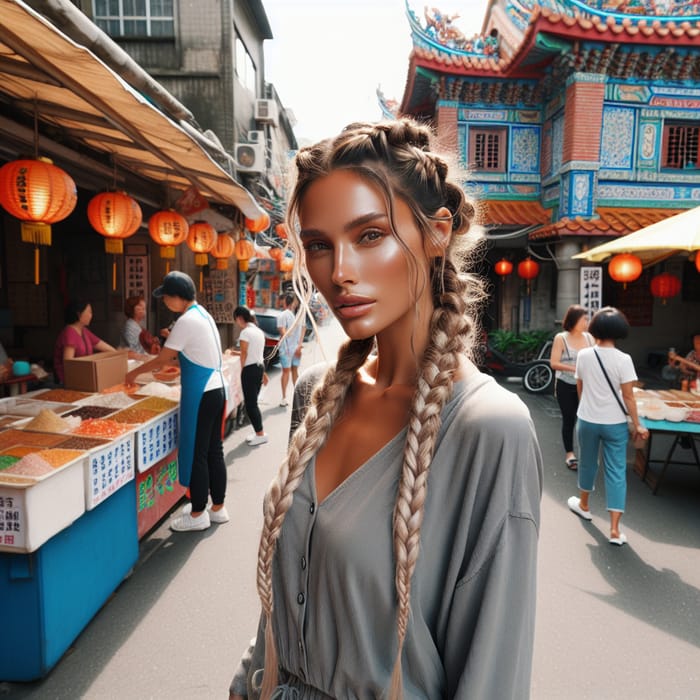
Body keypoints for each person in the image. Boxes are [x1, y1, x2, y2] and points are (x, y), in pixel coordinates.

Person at [229, 119, 542, 699]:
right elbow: (285, 596)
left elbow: (492, 674)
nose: (339, 271)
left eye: (370, 235)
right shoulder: (317, 394)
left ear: (436, 234)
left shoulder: (486, 430)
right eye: (320, 245)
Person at [125, 271, 229, 532]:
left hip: (202, 392)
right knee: (214, 450)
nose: (165, 303)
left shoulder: (186, 320)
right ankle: (217, 508)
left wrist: (133, 373)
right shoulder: (202, 314)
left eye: (166, 298)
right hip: (217, 388)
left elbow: (163, 358)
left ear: (176, 297)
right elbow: (191, 356)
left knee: (197, 453)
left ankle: (197, 514)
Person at [567, 306, 648, 546]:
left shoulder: (584, 355)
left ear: (596, 329)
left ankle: (584, 505)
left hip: (588, 420)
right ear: (620, 330)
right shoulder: (624, 360)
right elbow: (629, 397)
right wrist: (638, 423)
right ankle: (614, 530)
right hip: (615, 424)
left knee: (588, 463)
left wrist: (586, 407)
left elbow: (579, 386)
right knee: (615, 472)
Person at [549, 304, 593, 470]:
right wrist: (575, 368)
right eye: (584, 319)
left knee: (586, 419)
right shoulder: (561, 338)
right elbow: (554, 363)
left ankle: (586, 452)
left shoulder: (590, 338)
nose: (586, 322)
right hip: (565, 385)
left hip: (586, 385)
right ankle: (570, 454)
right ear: (574, 320)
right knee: (569, 419)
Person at [53, 300, 116, 385]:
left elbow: (107, 348)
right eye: (89, 312)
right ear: (79, 314)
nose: (91, 315)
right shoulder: (69, 333)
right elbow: (69, 365)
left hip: (84, 377)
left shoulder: (84, 331)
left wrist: (119, 355)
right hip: (70, 381)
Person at [232, 306, 268, 446]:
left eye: (236, 320)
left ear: (240, 318)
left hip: (250, 370)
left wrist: (242, 370)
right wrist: (264, 373)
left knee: (251, 404)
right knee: (253, 403)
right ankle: (258, 431)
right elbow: (255, 353)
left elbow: (245, 353)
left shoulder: (245, 333)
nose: (237, 323)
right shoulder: (258, 331)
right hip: (259, 368)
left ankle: (260, 434)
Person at [276, 293, 303, 407]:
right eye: (295, 302)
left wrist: (288, 334)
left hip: (287, 349)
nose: (296, 304)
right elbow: (283, 330)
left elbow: (282, 331)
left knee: (287, 372)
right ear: (291, 303)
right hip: (292, 348)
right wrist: (299, 345)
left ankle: (284, 397)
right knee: (294, 371)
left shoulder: (288, 315)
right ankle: (296, 397)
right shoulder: (292, 316)